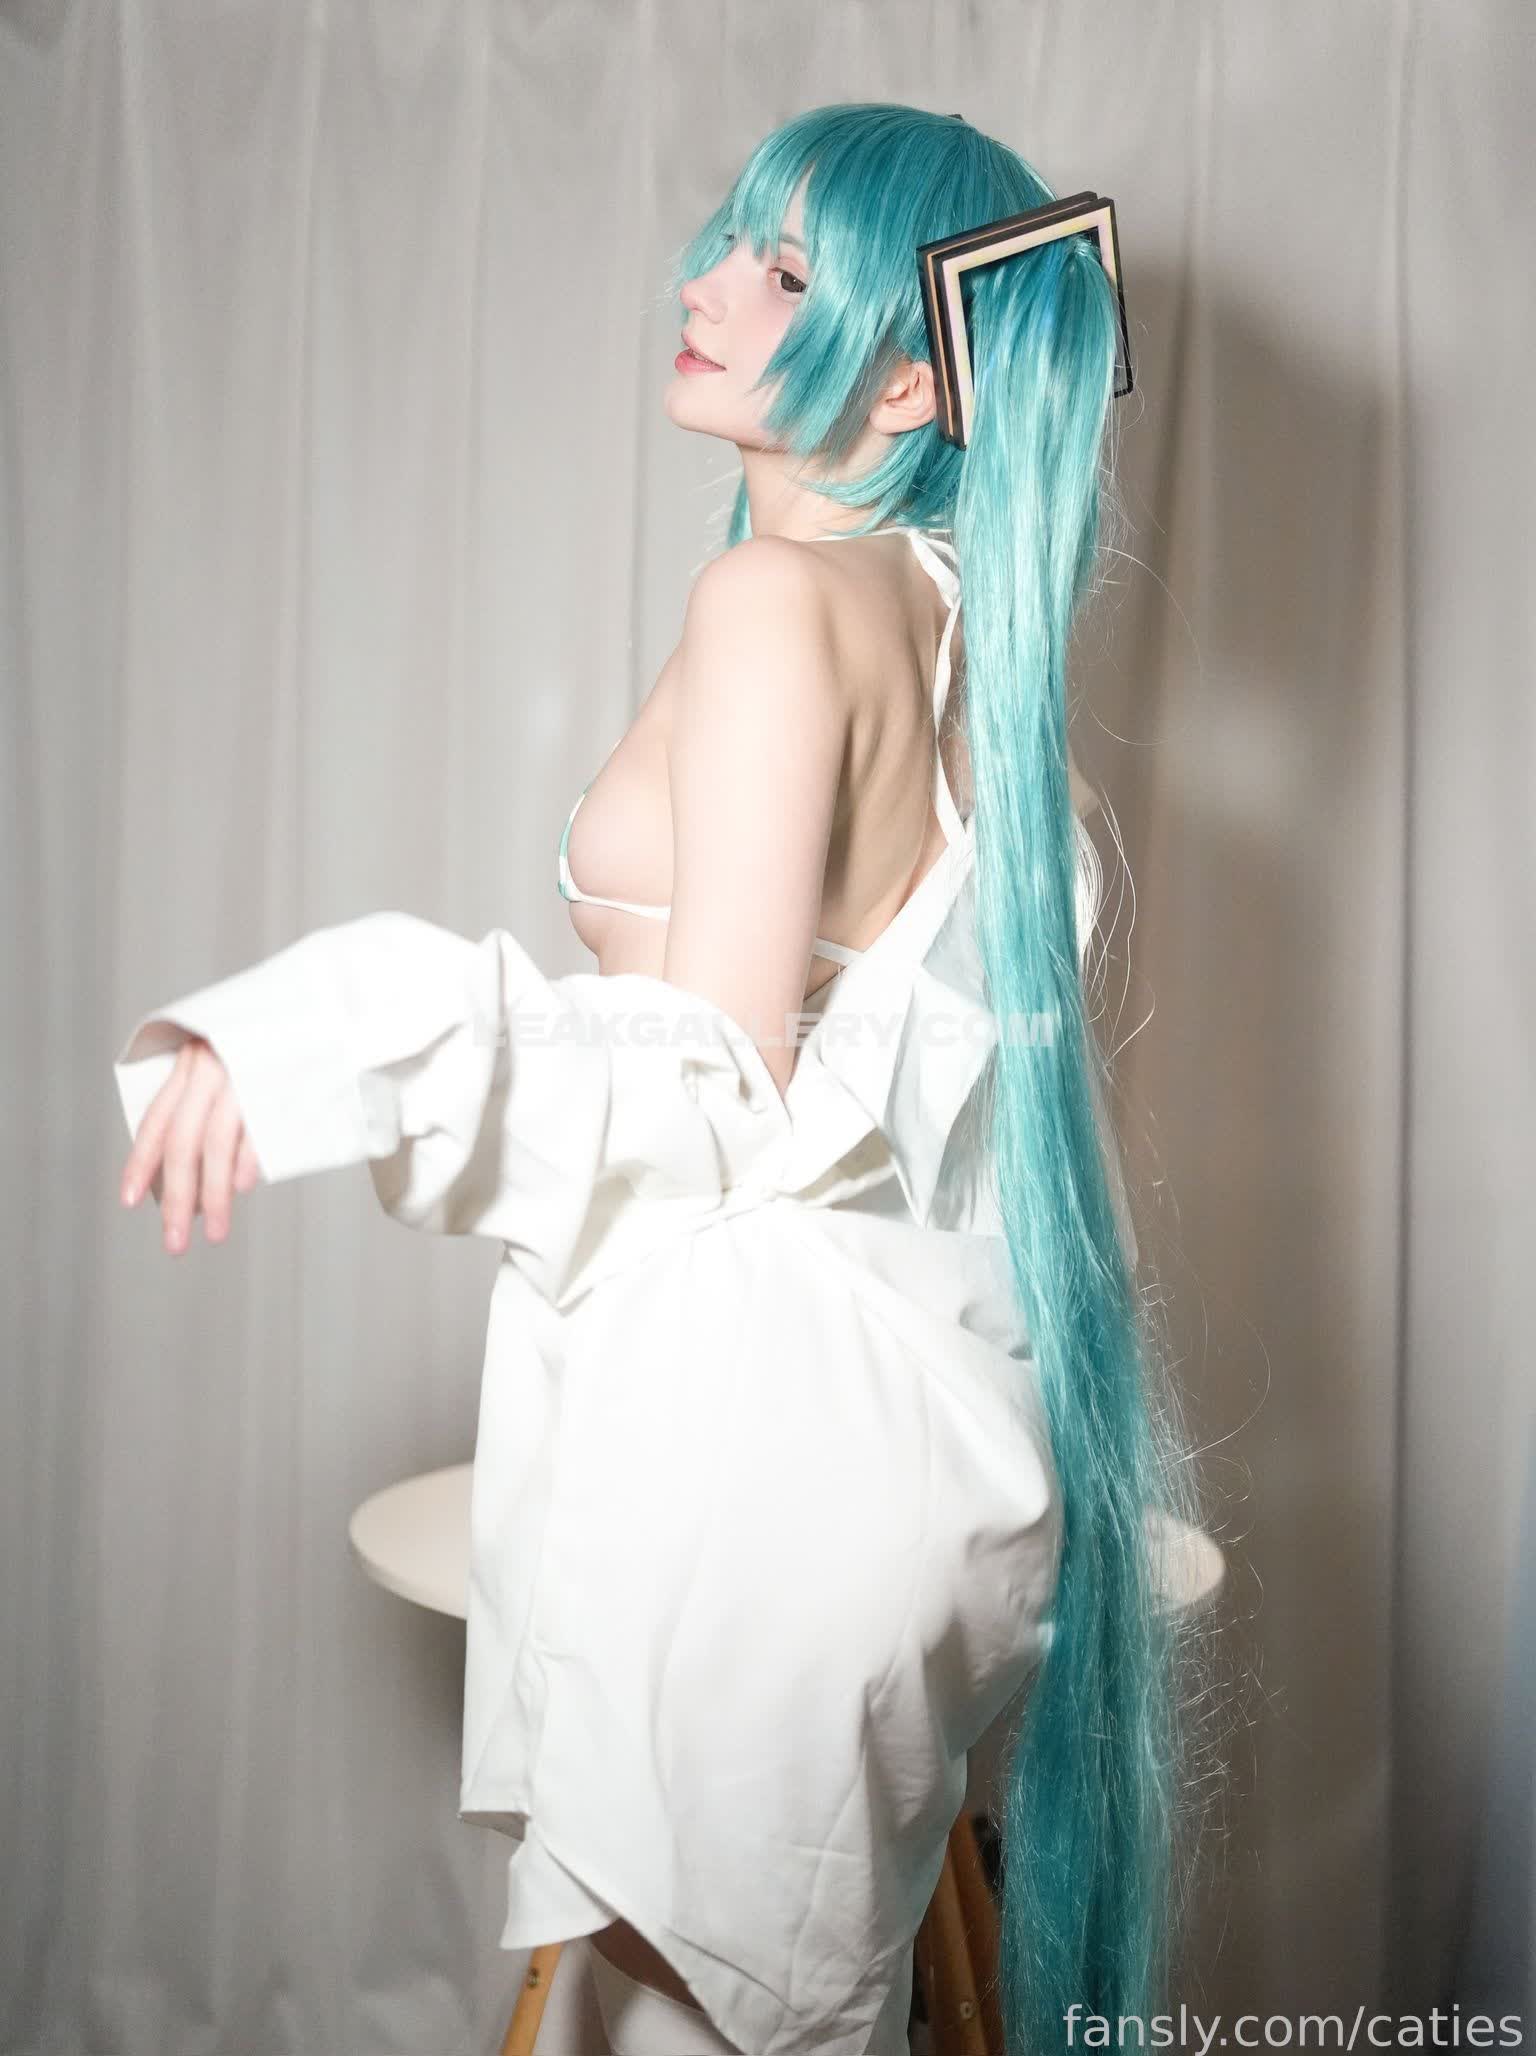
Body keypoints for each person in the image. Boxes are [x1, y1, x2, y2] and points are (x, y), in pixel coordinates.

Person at [114, 103, 1209, 2056]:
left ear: (905, 381)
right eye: (730, 238)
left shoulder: (778, 608)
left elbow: (708, 1076)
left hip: (758, 1476)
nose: (702, 280)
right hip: (898, 1456)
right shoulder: (964, 631)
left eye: (782, 270)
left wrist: (327, 1037)